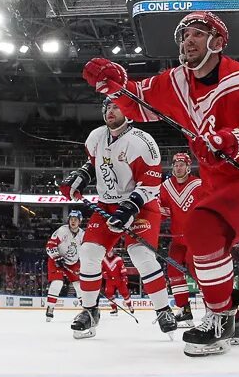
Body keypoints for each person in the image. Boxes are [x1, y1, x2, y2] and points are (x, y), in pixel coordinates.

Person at [84, 10, 239, 356]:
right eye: (183, 36)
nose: (187, 40)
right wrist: (111, 85)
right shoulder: (175, 81)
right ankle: (234, 313)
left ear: (218, 43)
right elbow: (136, 101)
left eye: (196, 33)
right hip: (215, 179)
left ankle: (219, 318)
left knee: (202, 230)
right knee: (198, 255)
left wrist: (231, 139)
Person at [58, 98, 178, 338]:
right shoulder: (96, 137)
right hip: (107, 205)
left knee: (140, 254)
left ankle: (164, 310)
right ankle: (90, 311)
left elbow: (151, 183)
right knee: (89, 254)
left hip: (141, 205)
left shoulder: (143, 143)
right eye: (107, 107)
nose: (110, 111)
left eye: (116, 107)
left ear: (128, 110)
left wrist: (130, 208)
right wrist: (80, 177)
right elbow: (94, 164)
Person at [156, 152, 202, 325]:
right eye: (175, 164)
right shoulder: (165, 186)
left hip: (196, 239)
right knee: (173, 271)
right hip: (177, 240)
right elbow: (163, 212)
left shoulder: (198, 185)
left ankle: (213, 308)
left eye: (181, 164)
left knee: (199, 273)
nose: (178, 167)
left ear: (188, 167)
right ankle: (184, 310)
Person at [43, 209, 85, 320]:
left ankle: (86, 308)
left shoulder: (83, 234)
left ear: (80, 221)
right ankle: (50, 307)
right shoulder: (62, 230)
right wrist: (57, 258)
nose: (73, 221)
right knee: (57, 283)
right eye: (71, 219)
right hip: (57, 260)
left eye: (76, 219)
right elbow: (50, 246)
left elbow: (86, 250)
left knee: (79, 286)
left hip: (72, 263)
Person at [102, 247, 131, 313]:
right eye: (108, 252)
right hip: (109, 280)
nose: (109, 253)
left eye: (111, 252)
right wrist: (104, 274)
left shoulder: (118, 259)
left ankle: (129, 306)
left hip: (119, 279)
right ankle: (114, 308)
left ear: (113, 252)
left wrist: (124, 276)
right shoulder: (104, 260)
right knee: (108, 293)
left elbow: (123, 268)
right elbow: (103, 270)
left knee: (125, 293)